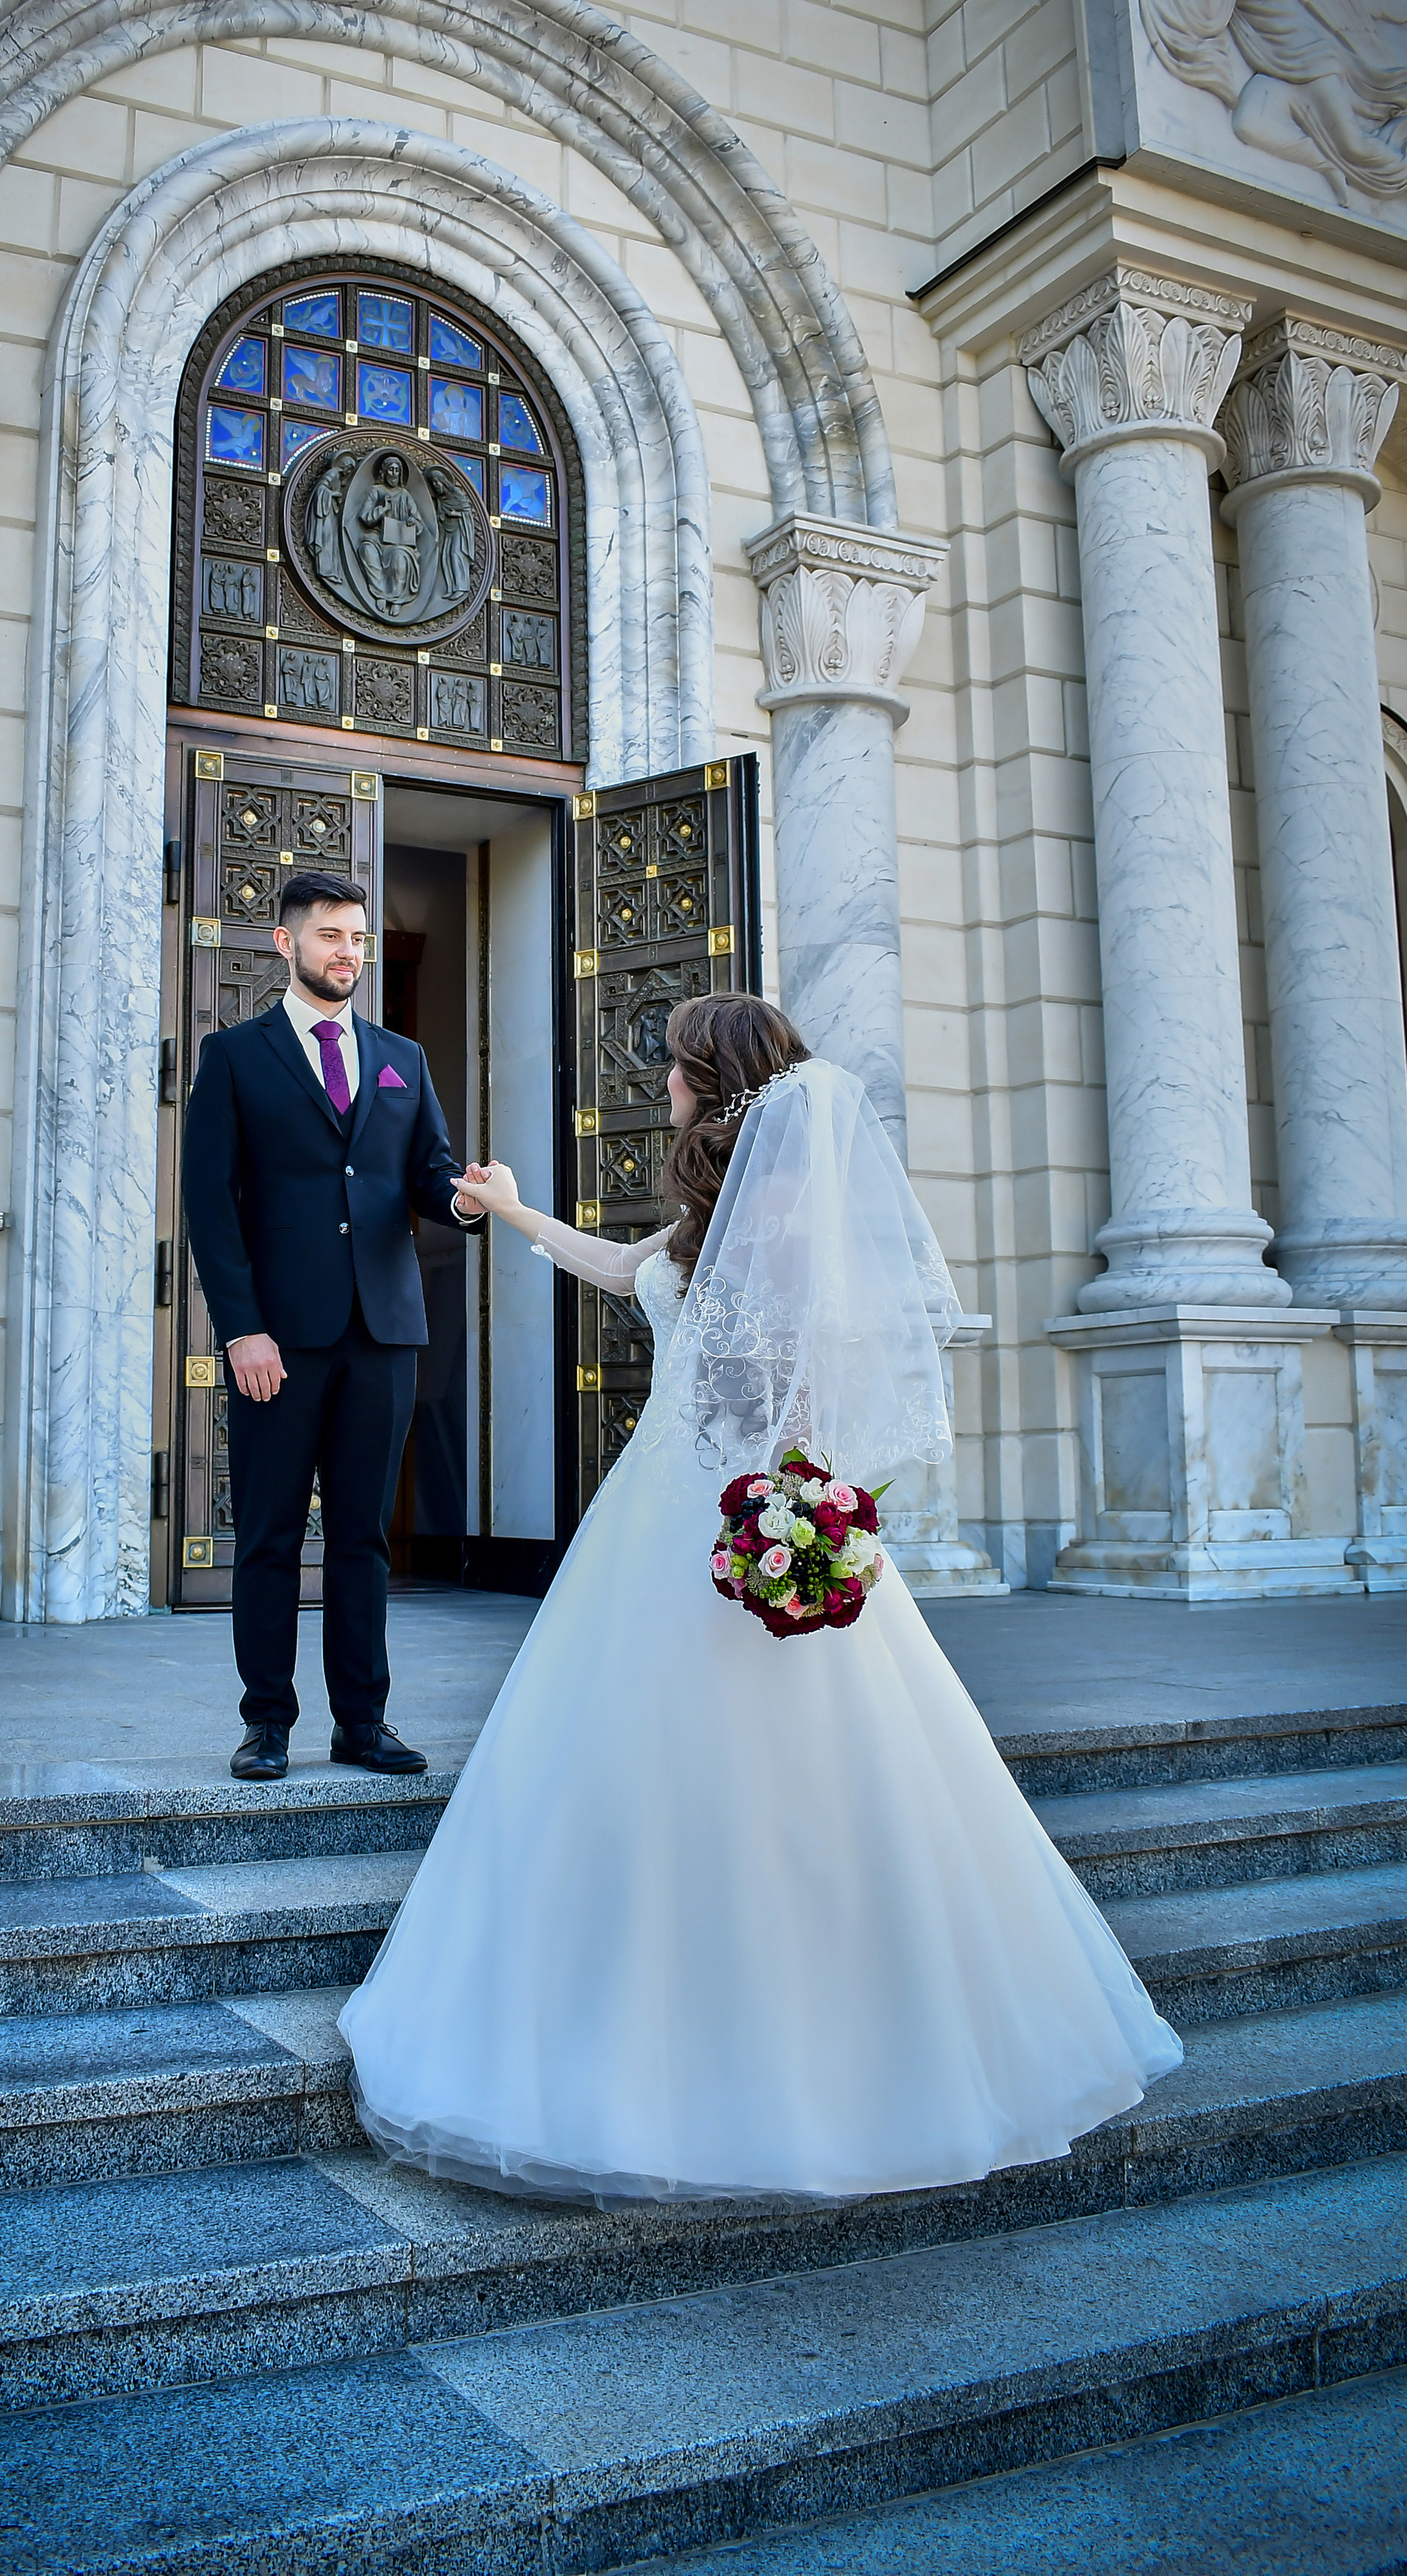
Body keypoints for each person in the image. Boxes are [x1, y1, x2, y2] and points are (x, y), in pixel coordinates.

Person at [339, 992, 1182, 2202]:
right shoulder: (708, 1217)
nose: (663, 1088)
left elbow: (800, 1390)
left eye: (675, 1068)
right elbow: (615, 1269)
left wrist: (788, 1515)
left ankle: (813, 2064)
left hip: (737, 1514)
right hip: (668, 1513)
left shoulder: (786, 1219)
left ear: (713, 1082)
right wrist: (511, 1204)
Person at [181, 870, 485, 1781]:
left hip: (383, 1334)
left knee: (360, 1537)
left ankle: (363, 1722)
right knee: (271, 1535)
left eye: (357, 938)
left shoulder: (402, 1057)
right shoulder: (233, 1057)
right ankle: (266, 1722)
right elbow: (212, 1204)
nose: (348, 953)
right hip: (280, 1338)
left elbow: (426, 1171)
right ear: (286, 944)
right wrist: (243, 1330)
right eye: (330, 937)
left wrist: (464, 1201)